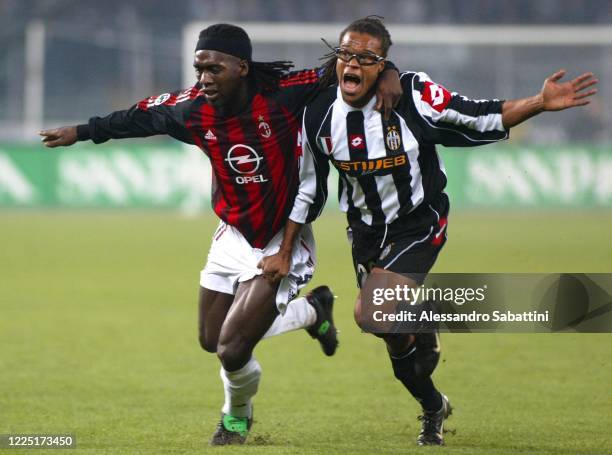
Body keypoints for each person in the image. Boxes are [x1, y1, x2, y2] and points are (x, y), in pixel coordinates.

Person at [38, 23, 402, 446]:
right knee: (211, 340)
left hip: (284, 237)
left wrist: (390, 69)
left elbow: (348, 67)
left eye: (214, 69)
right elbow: (137, 118)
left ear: (242, 67)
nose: (205, 78)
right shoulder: (192, 109)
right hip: (232, 235)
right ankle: (312, 312)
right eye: (199, 69)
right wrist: (82, 132)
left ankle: (236, 418)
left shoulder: (285, 94)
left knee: (232, 348)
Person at [299, 16, 598, 446]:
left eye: (367, 58)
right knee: (401, 353)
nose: (352, 63)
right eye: (346, 54)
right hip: (365, 233)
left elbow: (476, 116)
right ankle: (433, 407)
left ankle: (429, 314)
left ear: (383, 64)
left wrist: (538, 101)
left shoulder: (414, 97)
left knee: (370, 313)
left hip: (419, 223)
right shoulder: (320, 110)